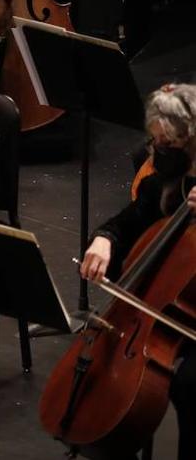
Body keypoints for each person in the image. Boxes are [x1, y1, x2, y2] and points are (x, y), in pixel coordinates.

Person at [79, 84, 196, 459]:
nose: (157, 153)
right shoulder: (163, 184)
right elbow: (128, 221)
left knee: (189, 384)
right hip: (171, 314)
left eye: (168, 145)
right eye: (155, 142)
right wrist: (105, 238)